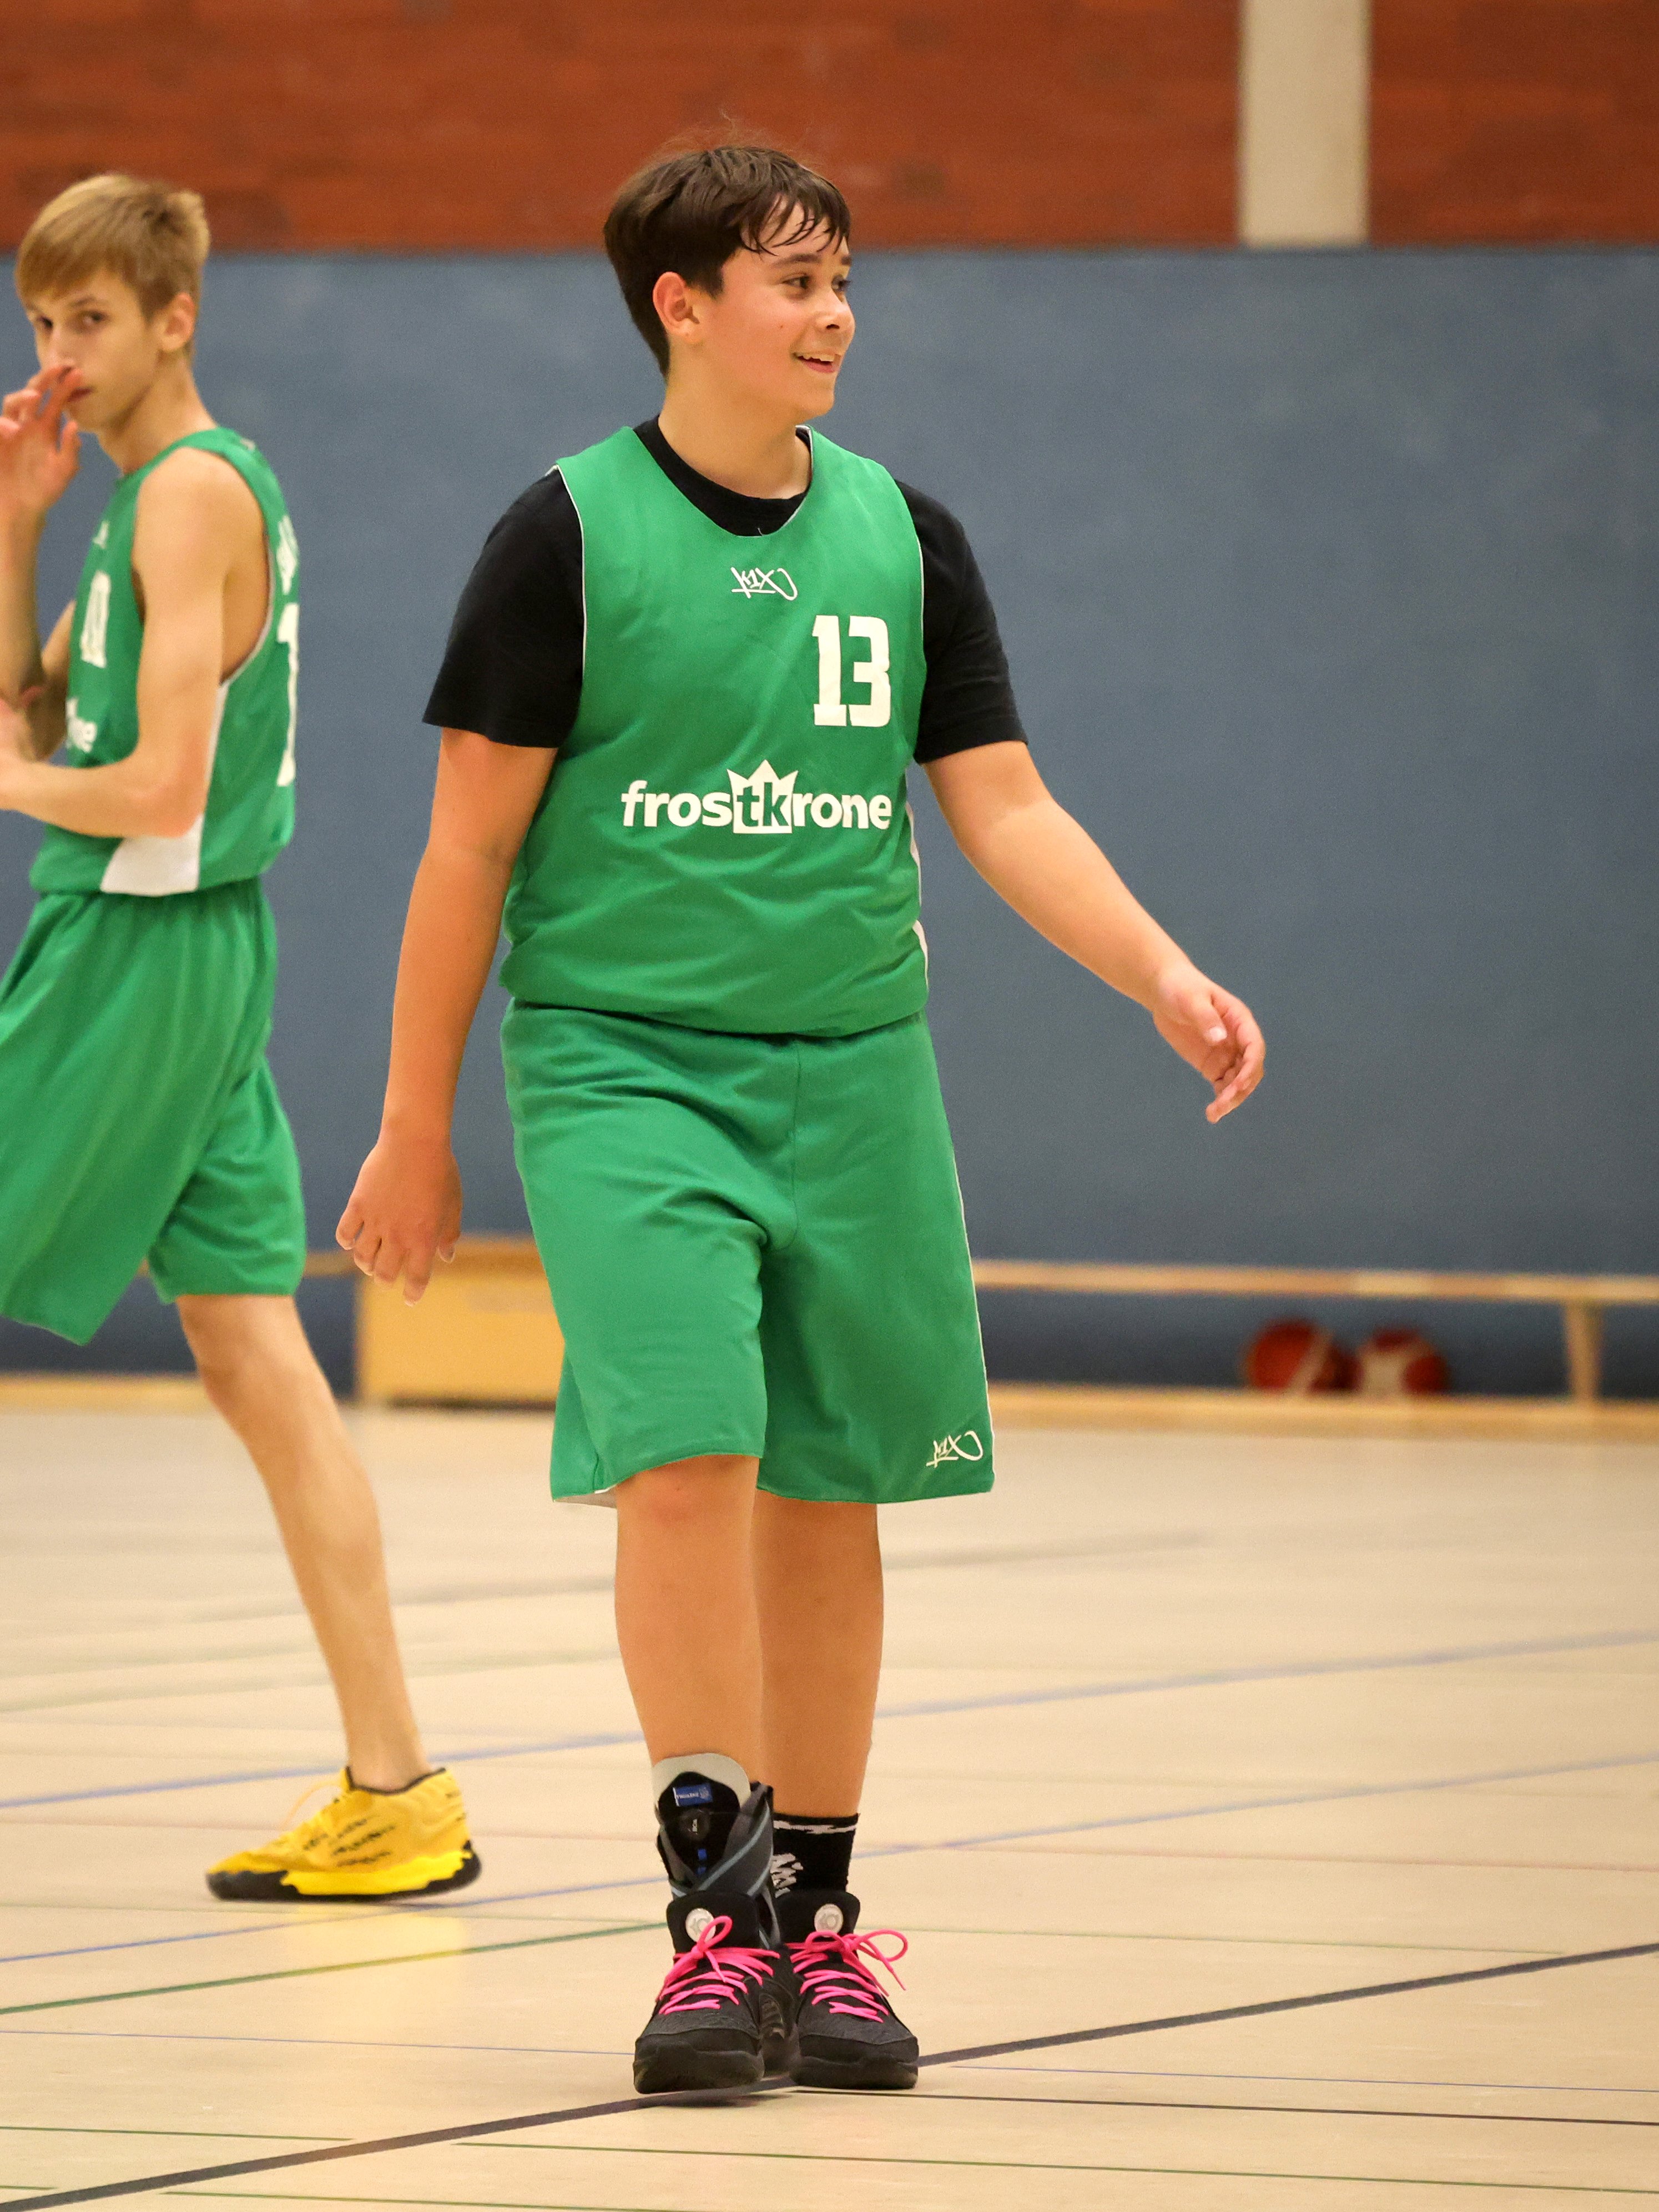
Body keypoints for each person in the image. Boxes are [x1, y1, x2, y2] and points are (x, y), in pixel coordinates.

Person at [339, 144, 1263, 2093]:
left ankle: (819, 1924)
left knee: (830, 1487)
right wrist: (415, 1122)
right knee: (687, 1460)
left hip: (854, 1073)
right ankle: (716, 1924)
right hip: (625, 1066)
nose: (834, 313)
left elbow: (1003, 803)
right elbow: (464, 852)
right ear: (681, 306)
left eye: (843, 277)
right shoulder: (563, 536)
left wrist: (1160, 970)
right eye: (792, 281)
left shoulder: (905, 538)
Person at [0, 174, 478, 1903]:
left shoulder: (192, 497)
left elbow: (152, 789)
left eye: (91, 320)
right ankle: (398, 1786)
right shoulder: (153, 499)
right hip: (200, 950)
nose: (60, 353)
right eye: (40, 321)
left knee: (255, 1358)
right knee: (254, 1357)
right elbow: (39, 708)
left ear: (175, 318)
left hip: (139, 948)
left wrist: (4, 784)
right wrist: (17, 522)